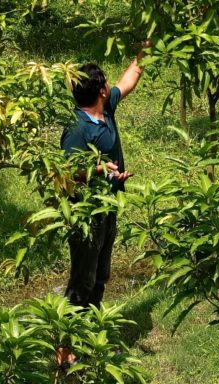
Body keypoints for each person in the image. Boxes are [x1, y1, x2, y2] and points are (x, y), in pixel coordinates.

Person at [60, 40, 150, 310]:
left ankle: (92, 326)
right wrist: (100, 169)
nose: (111, 84)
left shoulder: (105, 109)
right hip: (86, 211)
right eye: (106, 82)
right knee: (83, 279)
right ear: (101, 90)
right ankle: (69, 334)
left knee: (101, 274)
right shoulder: (77, 129)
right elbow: (66, 174)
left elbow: (130, 78)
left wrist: (146, 49)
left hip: (107, 204)